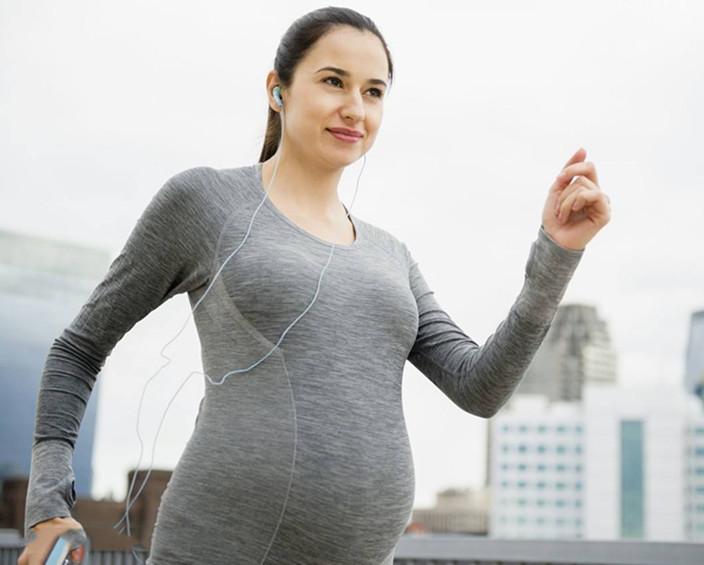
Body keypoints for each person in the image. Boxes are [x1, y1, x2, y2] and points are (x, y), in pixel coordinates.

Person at [18, 6, 610, 565]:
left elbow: (480, 388)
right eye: (334, 81)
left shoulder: (392, 255)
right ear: (278, 89)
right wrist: (48, 503)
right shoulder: (205, 202)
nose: (356, 107)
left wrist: (557, 252)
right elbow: (79, 348)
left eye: (373, 92)